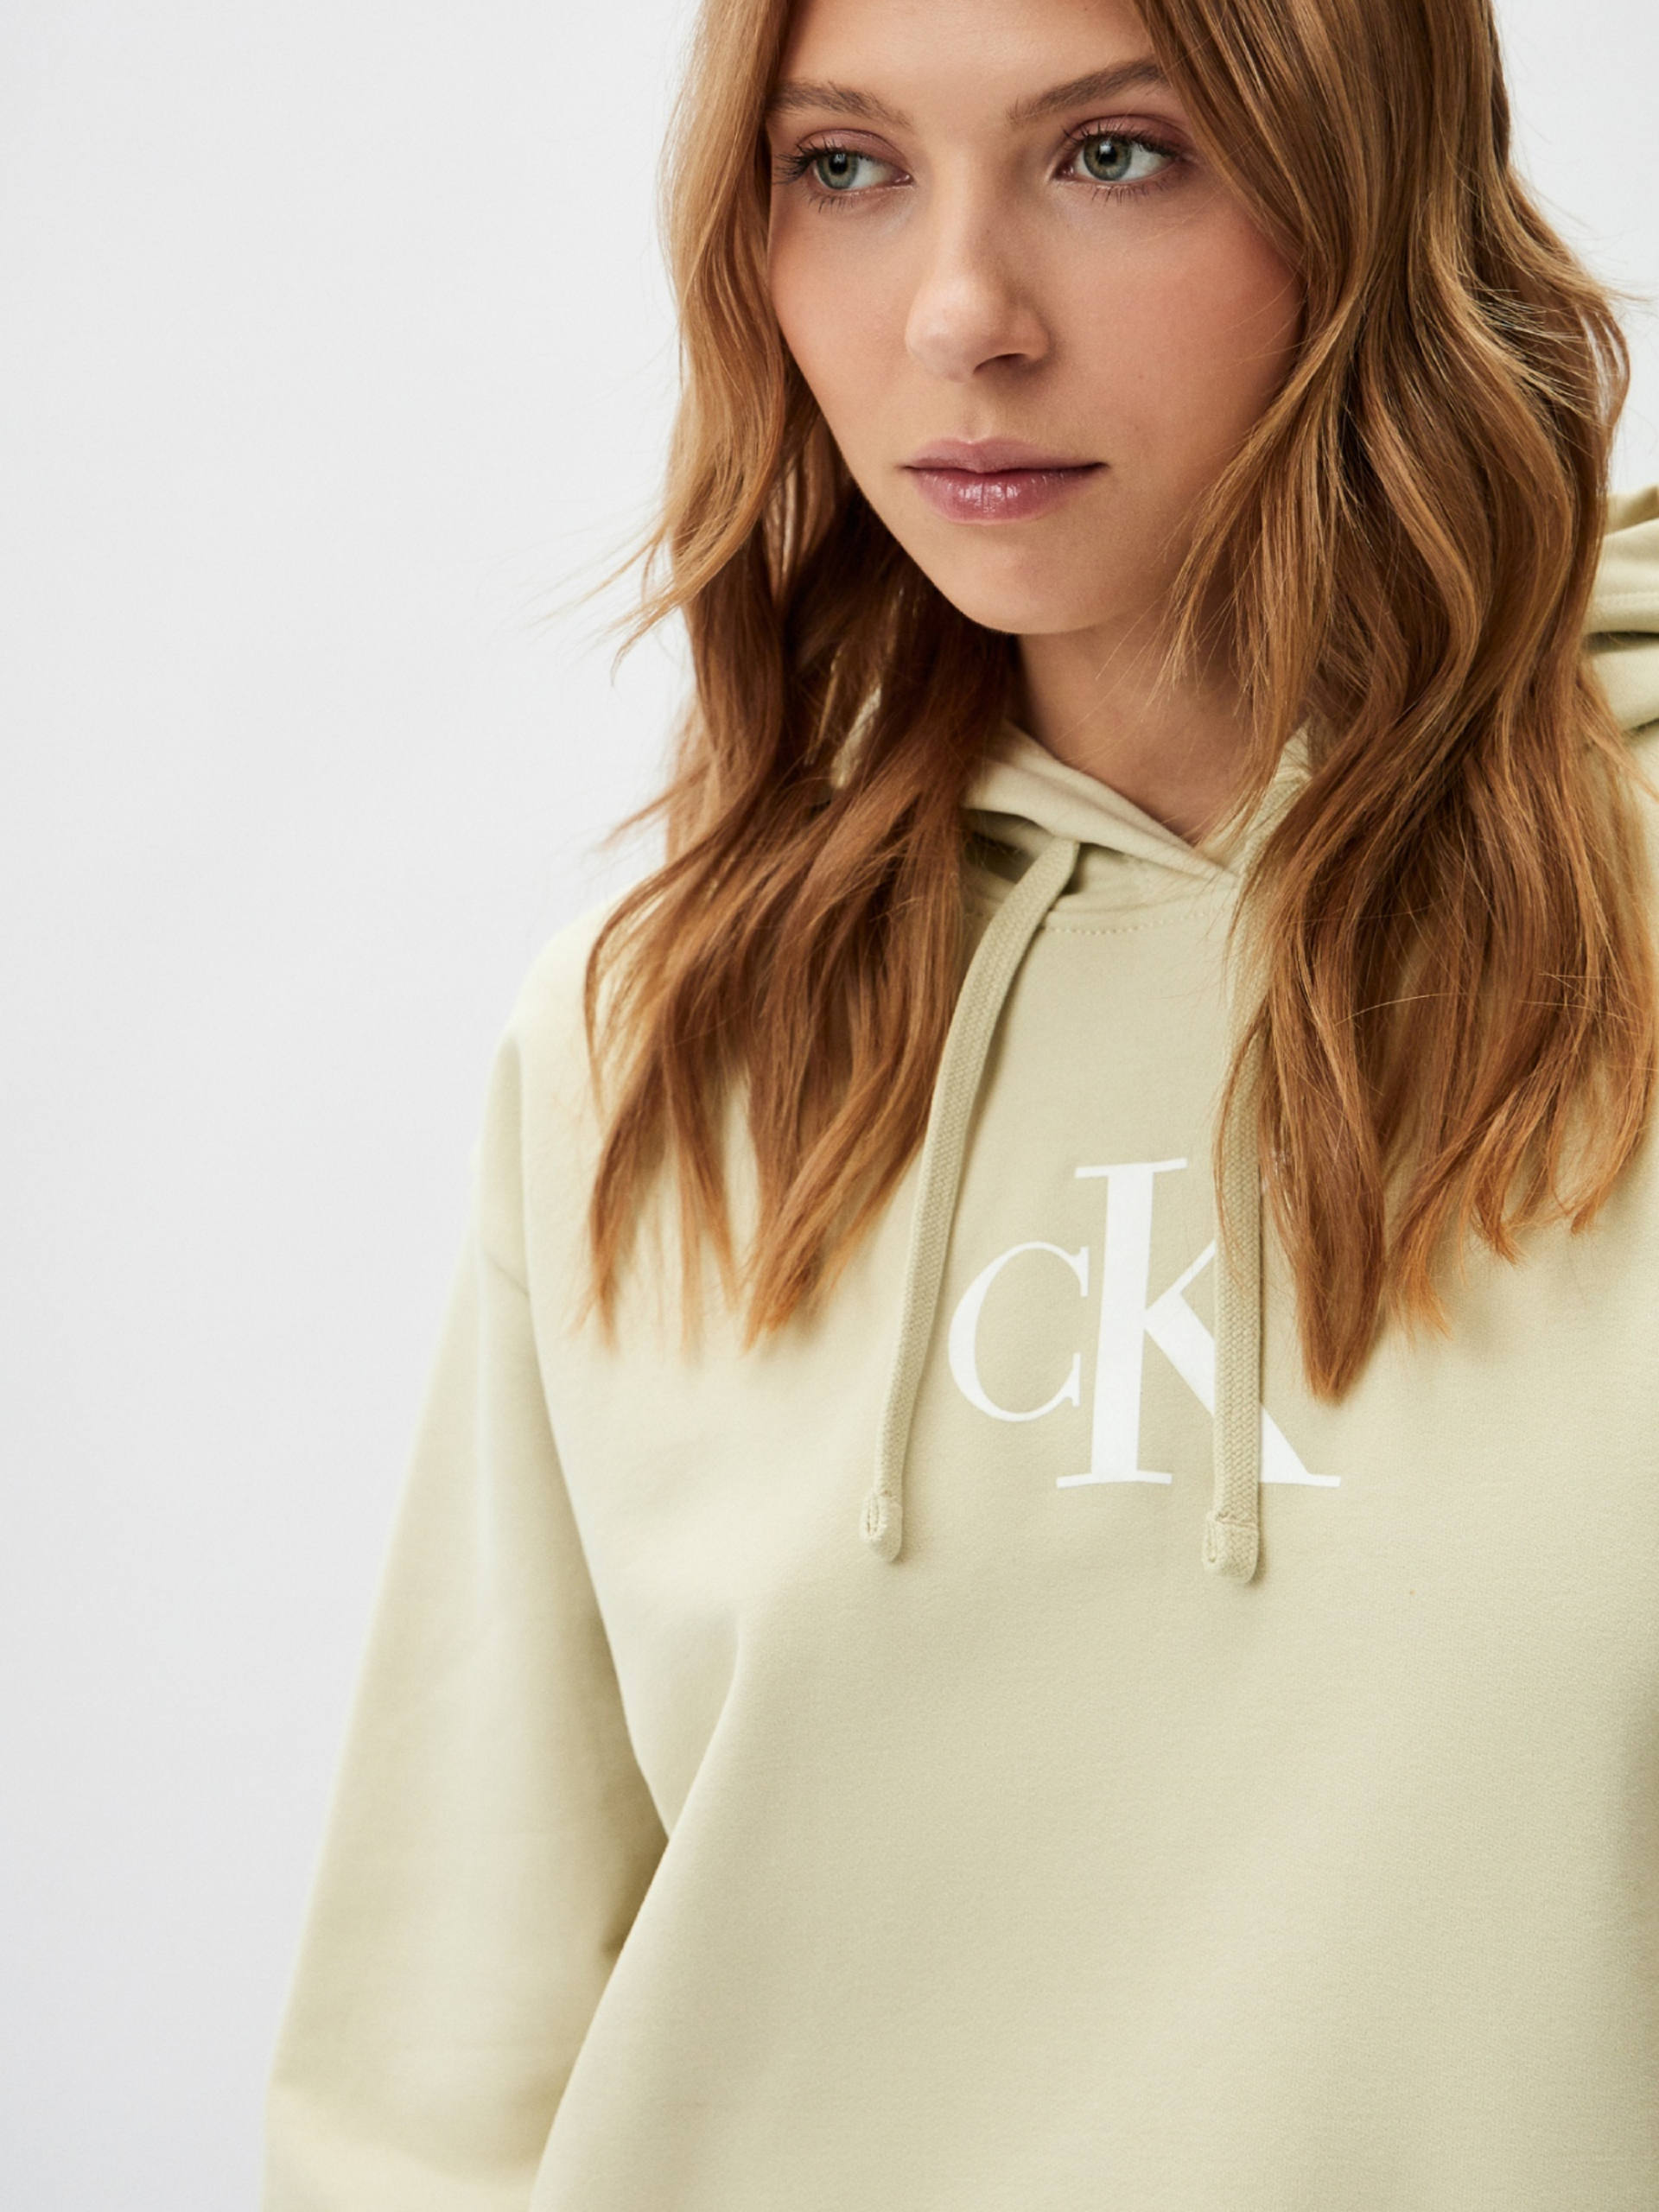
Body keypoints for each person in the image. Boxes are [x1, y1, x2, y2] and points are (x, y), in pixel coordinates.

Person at [261, 0, 1659, 2202]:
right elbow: (437, 2077)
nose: (961, 315)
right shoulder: (662, 1038)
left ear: (1367, 182)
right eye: (844, 168)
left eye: (1115, 155)